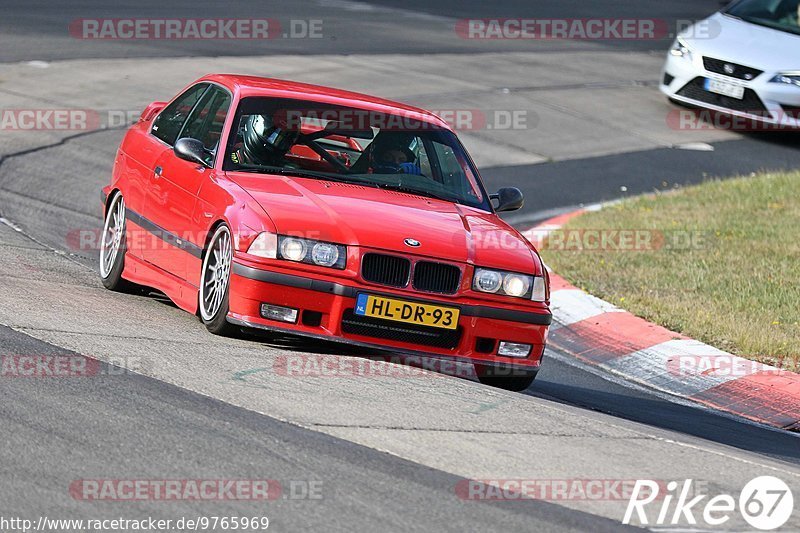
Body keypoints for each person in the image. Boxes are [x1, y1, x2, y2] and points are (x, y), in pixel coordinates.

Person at [230, 114, 299, 167]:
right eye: (272, 136)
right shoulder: (226, 162)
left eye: (282, 141)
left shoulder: (286, 171)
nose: (277, 143)